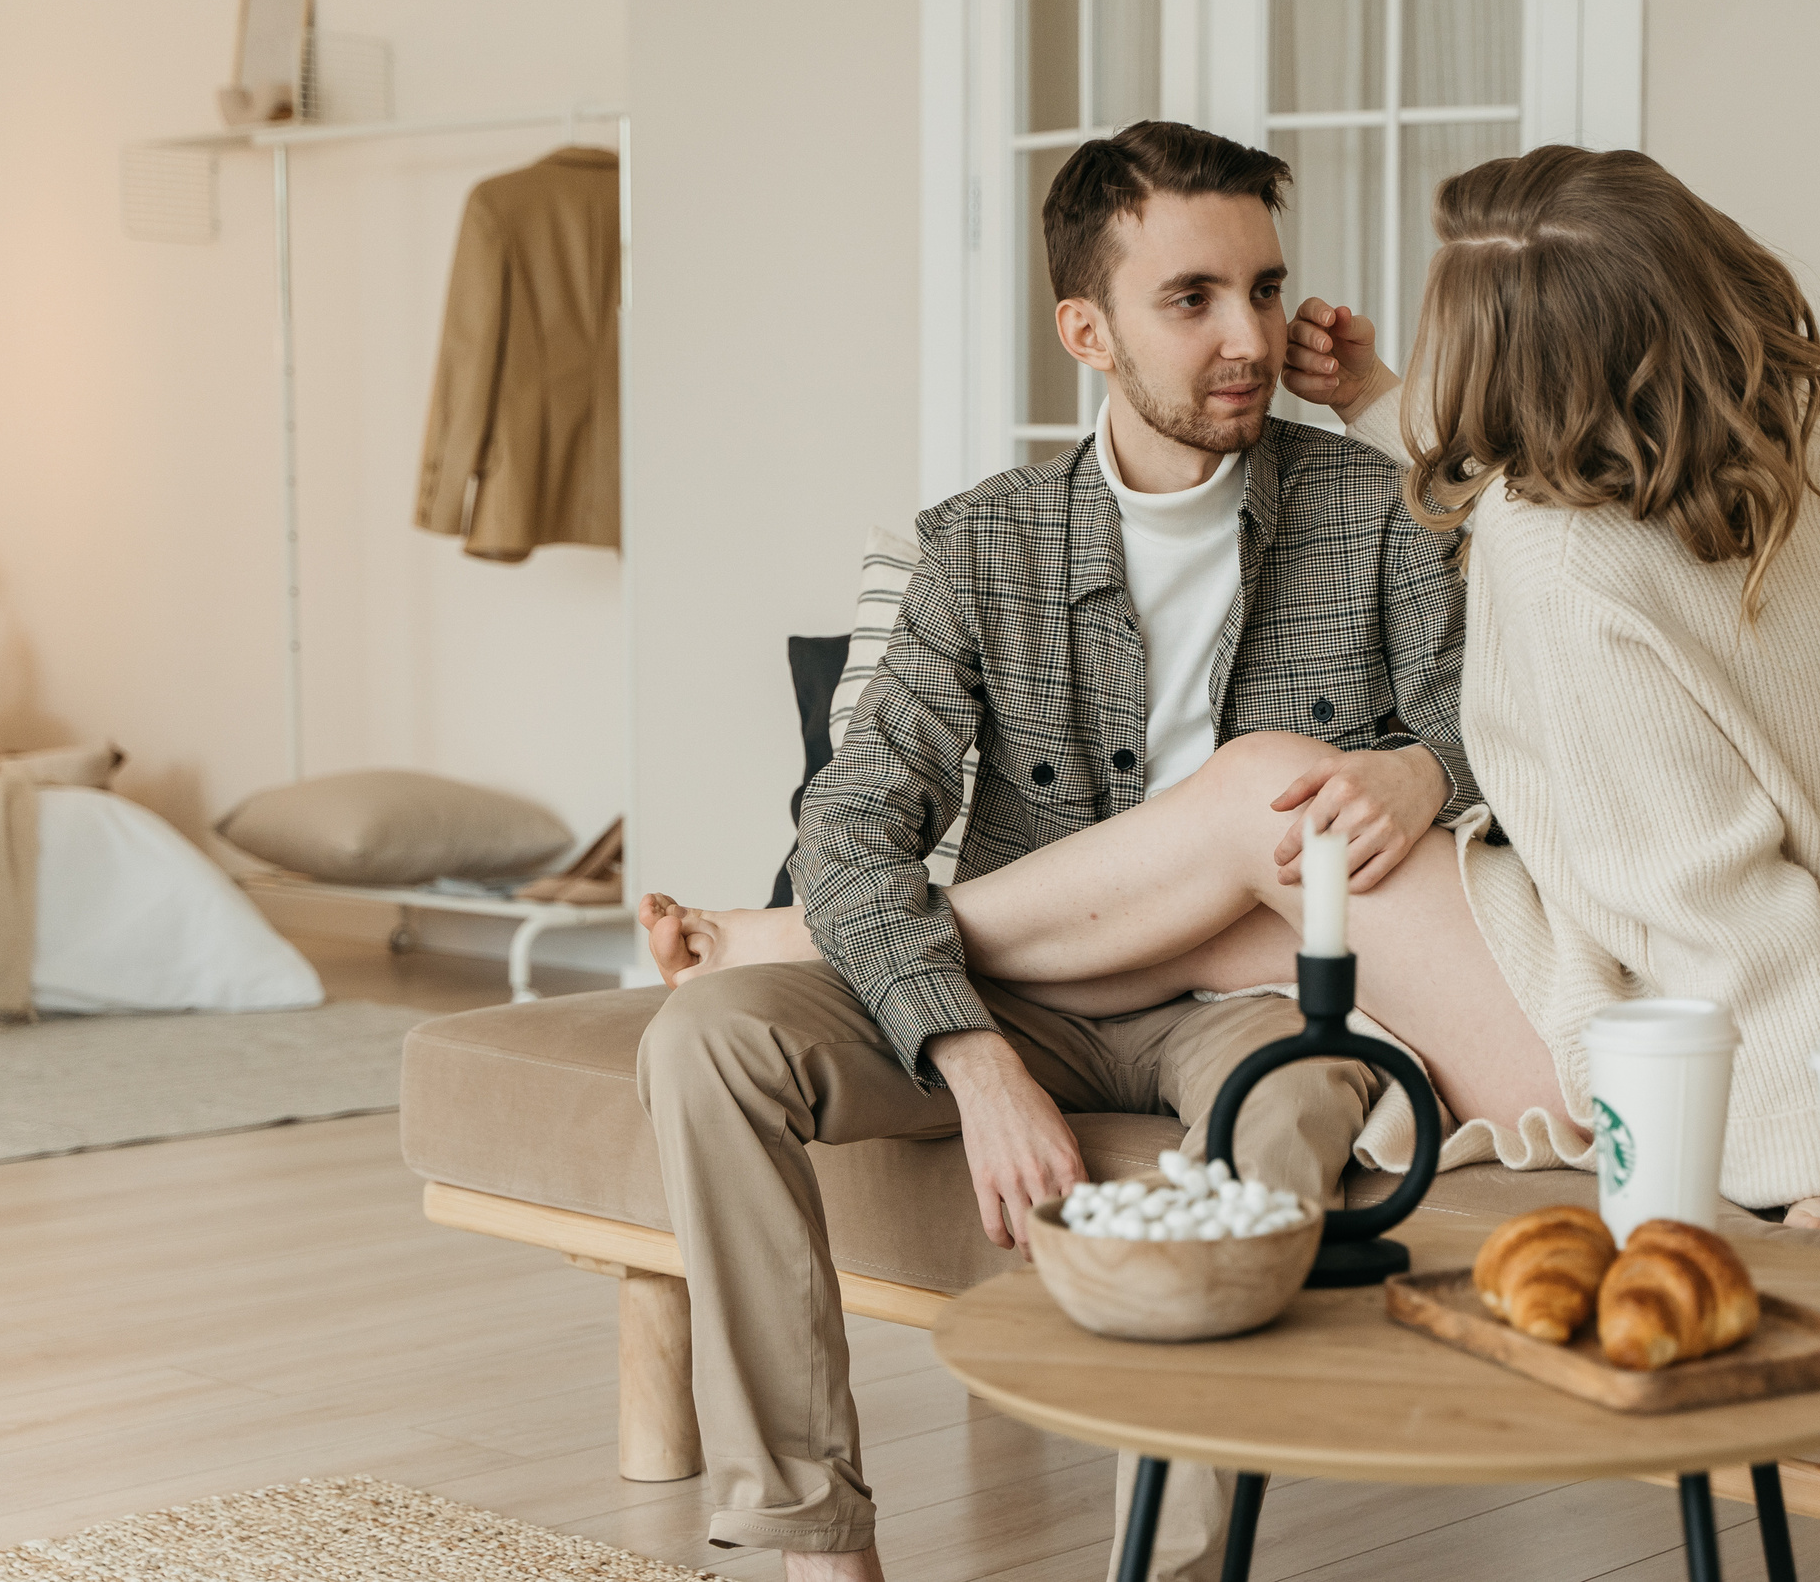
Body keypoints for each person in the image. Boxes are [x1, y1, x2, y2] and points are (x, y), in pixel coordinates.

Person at [738, 144, 1820, 1229]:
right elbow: (1545, 498)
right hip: (1798, 983)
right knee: (1247, 903)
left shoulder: (1566, 565)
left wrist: (1810, 1154)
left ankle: (822, 932)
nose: (1258, 336)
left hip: (1654, 1046)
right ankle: (872, 938)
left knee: (1270, 799)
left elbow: (1706, 885)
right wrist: (1379, 403)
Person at [633, 120, 1483, 1582]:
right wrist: (973, 1060)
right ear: (1085, 331)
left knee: (1288, 1112)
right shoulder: (981, 546)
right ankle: (813, 1539)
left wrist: (1422, 768)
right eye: (1192, 298)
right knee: (707, 1039)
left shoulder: (1378, 512)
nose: (1248, 338)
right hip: (1023, 995)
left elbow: (1509, 732)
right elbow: (851, 824)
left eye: (1264, 289)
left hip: (1253, 999)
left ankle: (1174, 1565)